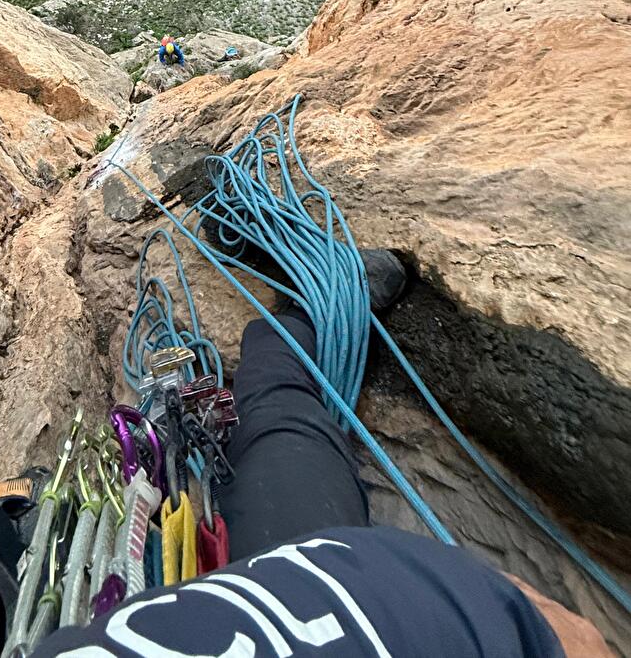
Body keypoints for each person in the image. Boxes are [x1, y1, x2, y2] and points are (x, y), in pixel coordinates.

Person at [31, 252, 612, 658]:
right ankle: (308, 311)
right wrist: (516, 619)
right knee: (279, 397)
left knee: (269, 395)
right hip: (303, 584)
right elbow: (563, 638)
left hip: (216, 596)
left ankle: (293, 324)